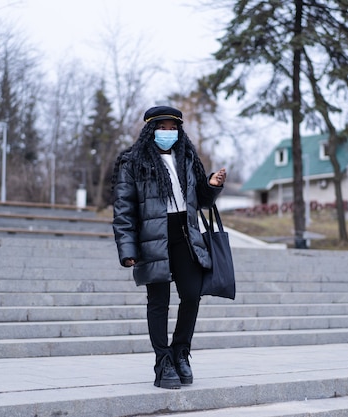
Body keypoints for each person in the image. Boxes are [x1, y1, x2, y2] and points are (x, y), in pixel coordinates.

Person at [111, 105, 226, 389]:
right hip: (152, 237)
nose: (168, 132)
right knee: (158, 302)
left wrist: (211, 185)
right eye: (162, 127)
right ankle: (163, 362)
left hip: (185, 236)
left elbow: (198, 200)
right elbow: (123, 210)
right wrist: (128, 250)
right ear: (150, 130)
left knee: (191, 295)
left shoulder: (186, 157)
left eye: (173, 127)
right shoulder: (133, 162)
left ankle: (180, 353)